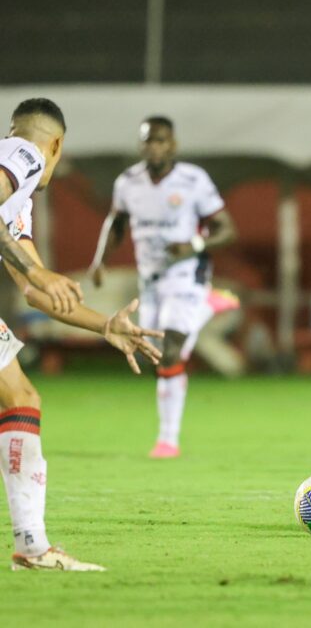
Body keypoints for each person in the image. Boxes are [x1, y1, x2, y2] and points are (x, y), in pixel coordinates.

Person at [0, 98, 163, 571]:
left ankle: (32, 548)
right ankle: (32, 548)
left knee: (20, 399)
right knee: (19, 400)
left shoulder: (17, 203)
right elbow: (37, 276)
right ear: (57, 145)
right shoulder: (23, 156)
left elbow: (36, 290)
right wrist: (37, 270)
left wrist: (105, 325)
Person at [89, 117, 237, 459]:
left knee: (171, 352)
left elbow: (228, 230)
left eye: (160, 140)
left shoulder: (193, 180)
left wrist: (194, 245)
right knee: (161, 356)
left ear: (173, 145)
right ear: (141, 145)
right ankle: (208, 307)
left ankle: (167, 441)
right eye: (148, 141)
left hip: (186, 275)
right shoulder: (128, 182)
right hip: (151, 281)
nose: (154, 146)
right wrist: (99, 260)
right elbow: (117, 221)